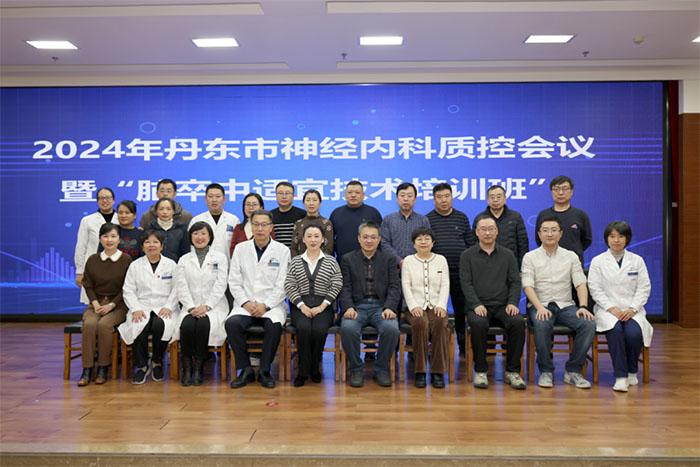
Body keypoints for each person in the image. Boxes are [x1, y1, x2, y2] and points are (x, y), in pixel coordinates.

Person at [522, 216, 596, 389]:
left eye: (554, 230)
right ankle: (546, 371)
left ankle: (573, 371)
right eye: (545, 230)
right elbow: (527, 286)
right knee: (541, 322)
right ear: (539, 234)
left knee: (588, 323)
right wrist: (539, 307)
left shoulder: (571, 257)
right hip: (540, 304)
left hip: (566, 305)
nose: (550, 234)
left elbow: (580, 283)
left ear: (561, 234)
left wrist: (583, 306)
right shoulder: (530, 257)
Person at [460, 215, 526, 390]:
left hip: (504, 305)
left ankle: (512, 371)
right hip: (478, 305)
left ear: (497, 231)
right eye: (483, 229)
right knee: (478, 324)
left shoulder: (508, 255)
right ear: (477, 232)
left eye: (491, 229)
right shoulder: (467, 255)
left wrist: (512, 302)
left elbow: (515, 282)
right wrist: (476, 304)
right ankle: (481, 370)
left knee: (518, 323)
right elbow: (466, 283)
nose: (487, 233)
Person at [226, 210, 290, 389]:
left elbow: (283, 283)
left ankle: (264, 370)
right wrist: (246, 303)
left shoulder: (282, 250)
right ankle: (246, 370)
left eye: (264, 224)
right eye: (256, 224)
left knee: (274, 326)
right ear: (250, 226)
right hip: (245, 305)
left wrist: (266, 305)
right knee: (232, 324)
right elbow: (234, 281)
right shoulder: (241, 249)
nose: (260, 228)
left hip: (272, 306)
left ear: (271, 227)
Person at [588, 221, 653, 392]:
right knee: (615, 331)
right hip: (607, 310)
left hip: (632, 310)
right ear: (607, 239)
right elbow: (595, 289)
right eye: (612, 236)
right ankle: (621, 376)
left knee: (634, 334)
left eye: (620, 236)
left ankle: (632, 371)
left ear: (627, 239)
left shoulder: (637, 261)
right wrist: (612, 308)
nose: (616, 240)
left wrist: (632, 309)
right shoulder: (598, 261)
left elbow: (644, 287)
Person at [339, 221, 401, 388]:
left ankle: (381, 369)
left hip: (381, 306)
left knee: (391, 329)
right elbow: (345, 286)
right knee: (348, 328)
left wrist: (389, 307)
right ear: (359, 239)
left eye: (373, 237)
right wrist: (348, 307)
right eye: (365, 237)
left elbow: (395, 286)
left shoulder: (388, 259)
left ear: (379, 239)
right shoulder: (348, 259)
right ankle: (356, 369)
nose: (369, 240)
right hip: (357, 307)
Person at [284, 223, 343, 387]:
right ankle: (303, 372)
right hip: (300, 306)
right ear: (303, 239)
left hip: (323, 306)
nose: (313, 240)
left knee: (318, 330)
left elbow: (337, 284)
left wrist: (322, 307)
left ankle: (315, 367)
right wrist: (302, 306)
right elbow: (289, 285)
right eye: (309, 236)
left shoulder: (331, 261)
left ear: (323, 239)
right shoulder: (296, 261)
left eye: (317, 236)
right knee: (303, 329)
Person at [118, 230, 179, 384]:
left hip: (164, 306)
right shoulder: (135, 266)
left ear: (162, 246)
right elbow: (128, 290)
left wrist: (169, 306)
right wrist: (136, 308)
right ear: (142, 246)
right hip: (142, 306)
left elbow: (177, 289)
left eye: (155, 242)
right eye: (147, 242)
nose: (151, 245)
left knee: (160, 325)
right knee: (139, 325)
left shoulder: (171, 265)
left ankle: (157, 361)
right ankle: (142, 366)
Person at [77, 223, 132, 386]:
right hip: (96, 304)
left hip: (118, 305)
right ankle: (87, 368)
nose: (109, 240)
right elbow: (88, 284)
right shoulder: (93, 259)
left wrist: (112, 305)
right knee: (89, 325)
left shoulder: (126, 260)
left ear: (119, 239)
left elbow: (127, 287)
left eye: (113, 236)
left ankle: (103, 366)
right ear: (100, 239)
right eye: (105, 236)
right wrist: (95, 304)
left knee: (104, 325)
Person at [175, 222, 229, 386]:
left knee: (204, 325)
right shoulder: (184, 260)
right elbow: (181, 286)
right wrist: (191, 307)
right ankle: (187, 368)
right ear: (190, 237)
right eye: (196, 233)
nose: (200, 237)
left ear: (210, 236)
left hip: (214, 306)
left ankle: (198, 368)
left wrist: (207, 306)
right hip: (190, 306)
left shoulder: (219, 258)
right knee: (187, 326)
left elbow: (221, 284)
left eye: (203, 233)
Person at [426, 182, 475, 356]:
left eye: (447, 196)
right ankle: (434, 346)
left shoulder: (461, 217)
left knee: (461, 311)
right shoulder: (427, 219)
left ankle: (463, 346)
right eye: (439, 197)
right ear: (434, 200)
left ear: (452, 197)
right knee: (434, 311)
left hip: (459, 273)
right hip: (435, 275)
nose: (443, 200)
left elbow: (470, 244)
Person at [400, 227, 450, 389]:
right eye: (419, 239)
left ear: (433, 242)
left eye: (427, 239)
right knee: (420, 323)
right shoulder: (408, 261)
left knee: (440, 323)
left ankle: (437, 372)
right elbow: (406, 285)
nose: (423, 242)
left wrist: (441, 305)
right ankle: (420, 371)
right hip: (414, 306)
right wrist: (413, 306)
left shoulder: (441, 259)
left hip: (436, 305)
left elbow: (445, 284)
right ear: (414, 244)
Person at [535, 175, 592, 266]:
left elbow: (587, 240)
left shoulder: (581, 215)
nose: (560, 192)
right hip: (548, 263)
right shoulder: (543, 215)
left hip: (573, 264)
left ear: (572, 191)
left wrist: (572, 252)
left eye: (565, 189)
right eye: (556, 189)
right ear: (551, 192)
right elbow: (539, 240)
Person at [74, 187, 117, 304]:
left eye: (108, 198)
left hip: (116, 266)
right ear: (97, 201)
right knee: (94, 301)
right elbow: (81, 246)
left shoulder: (121, 219)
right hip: (94, 266)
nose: (105, 201)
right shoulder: (87, 220)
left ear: (113, 200)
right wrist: (80, 271)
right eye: (101, 198)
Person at [473, 185, 529, 268]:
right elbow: (474, 243)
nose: (495, 200)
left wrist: (521, 266)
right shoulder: (480, 218)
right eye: (492, 197)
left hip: (510, 264)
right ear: (487, 200)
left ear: (505, 199)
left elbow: (523, 243)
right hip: (485, 264)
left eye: (499, 197)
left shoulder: (515, 217)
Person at [329, 180, 382, 263]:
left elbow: (381, 239)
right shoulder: (336, 213)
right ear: (345, 195)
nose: (353, 195)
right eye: (350, 192)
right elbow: (330, 240)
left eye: (357, 192)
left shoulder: (373, 213)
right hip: (341, 262)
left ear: (363, 195)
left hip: (369, 262)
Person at [380, 182, 430, 268]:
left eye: (410, 196)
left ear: (415, 199)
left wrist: (414, 261)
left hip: (418, 266)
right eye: (402, 196)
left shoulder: (423, 220)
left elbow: (427, 243)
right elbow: (384, 243)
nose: (406, 199)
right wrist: (399, 261)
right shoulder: (388, 219)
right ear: (397, 198)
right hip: (393, 267)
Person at [189, 183, 240, 263]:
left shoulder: (233, 220)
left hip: (228, 265)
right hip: (203, 266)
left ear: (224, 199)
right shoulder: (196, 220)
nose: (214, 200)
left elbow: (238, 246)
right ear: (205, 199)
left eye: (218, 196)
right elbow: (191, 245)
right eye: (210, 196)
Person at [229, 193, 275, 257]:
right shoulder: (238, 228)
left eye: (254, 204)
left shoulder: (267, 226)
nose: (250, 207)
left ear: (261, 207)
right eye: (248, 204)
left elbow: (272, 248)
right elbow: (232, 251)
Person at [290, 189, 334, 257]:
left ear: (320, 203)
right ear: (304, 203)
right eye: (308, 200)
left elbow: (328, 247)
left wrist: (319, 261)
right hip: (300, 261)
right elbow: (294, 247)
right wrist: (298, 261)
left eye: (314, 200)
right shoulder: (298, 223)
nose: (311, 203)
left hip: (321, 261)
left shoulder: (326, 223)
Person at [148, 198, 189, 262]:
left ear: (173, 211)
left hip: (176, 265)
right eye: (161, 209)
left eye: (168, 209)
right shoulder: (149, 228)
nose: (165, 212)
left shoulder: (181, 228)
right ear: (156, 211)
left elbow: (185, 252)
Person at [270, 181, 307, 249]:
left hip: (296, 254)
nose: (284, 196)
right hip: (276, 253)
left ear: (293, 196)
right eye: (280, 193)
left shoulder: (302, 214)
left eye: (287, 193)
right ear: (276, 195)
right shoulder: (270, 215)